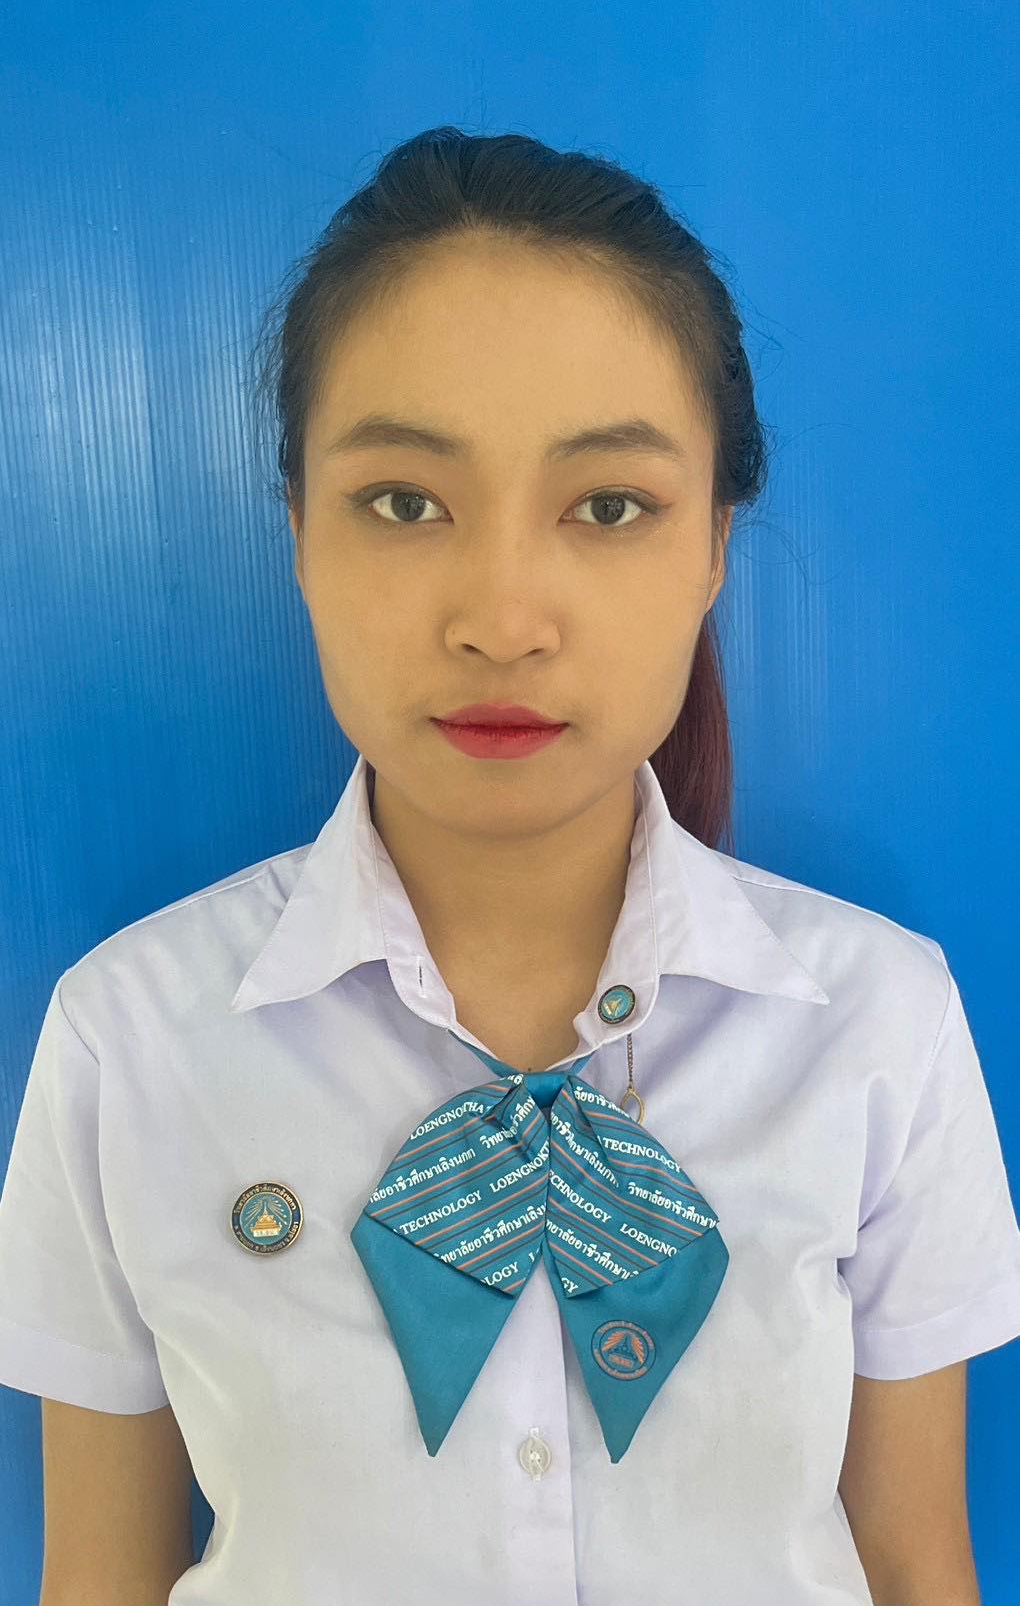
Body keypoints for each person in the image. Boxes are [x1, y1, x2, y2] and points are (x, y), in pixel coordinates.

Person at [1, 125, 1018, 1606]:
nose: (502, 618)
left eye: (608, 506)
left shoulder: (879, 1026)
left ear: (714, 544)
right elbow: (98, 1577)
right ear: (299, 531)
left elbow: (921, 1562)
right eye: (404, 502)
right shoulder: (130, 1040)